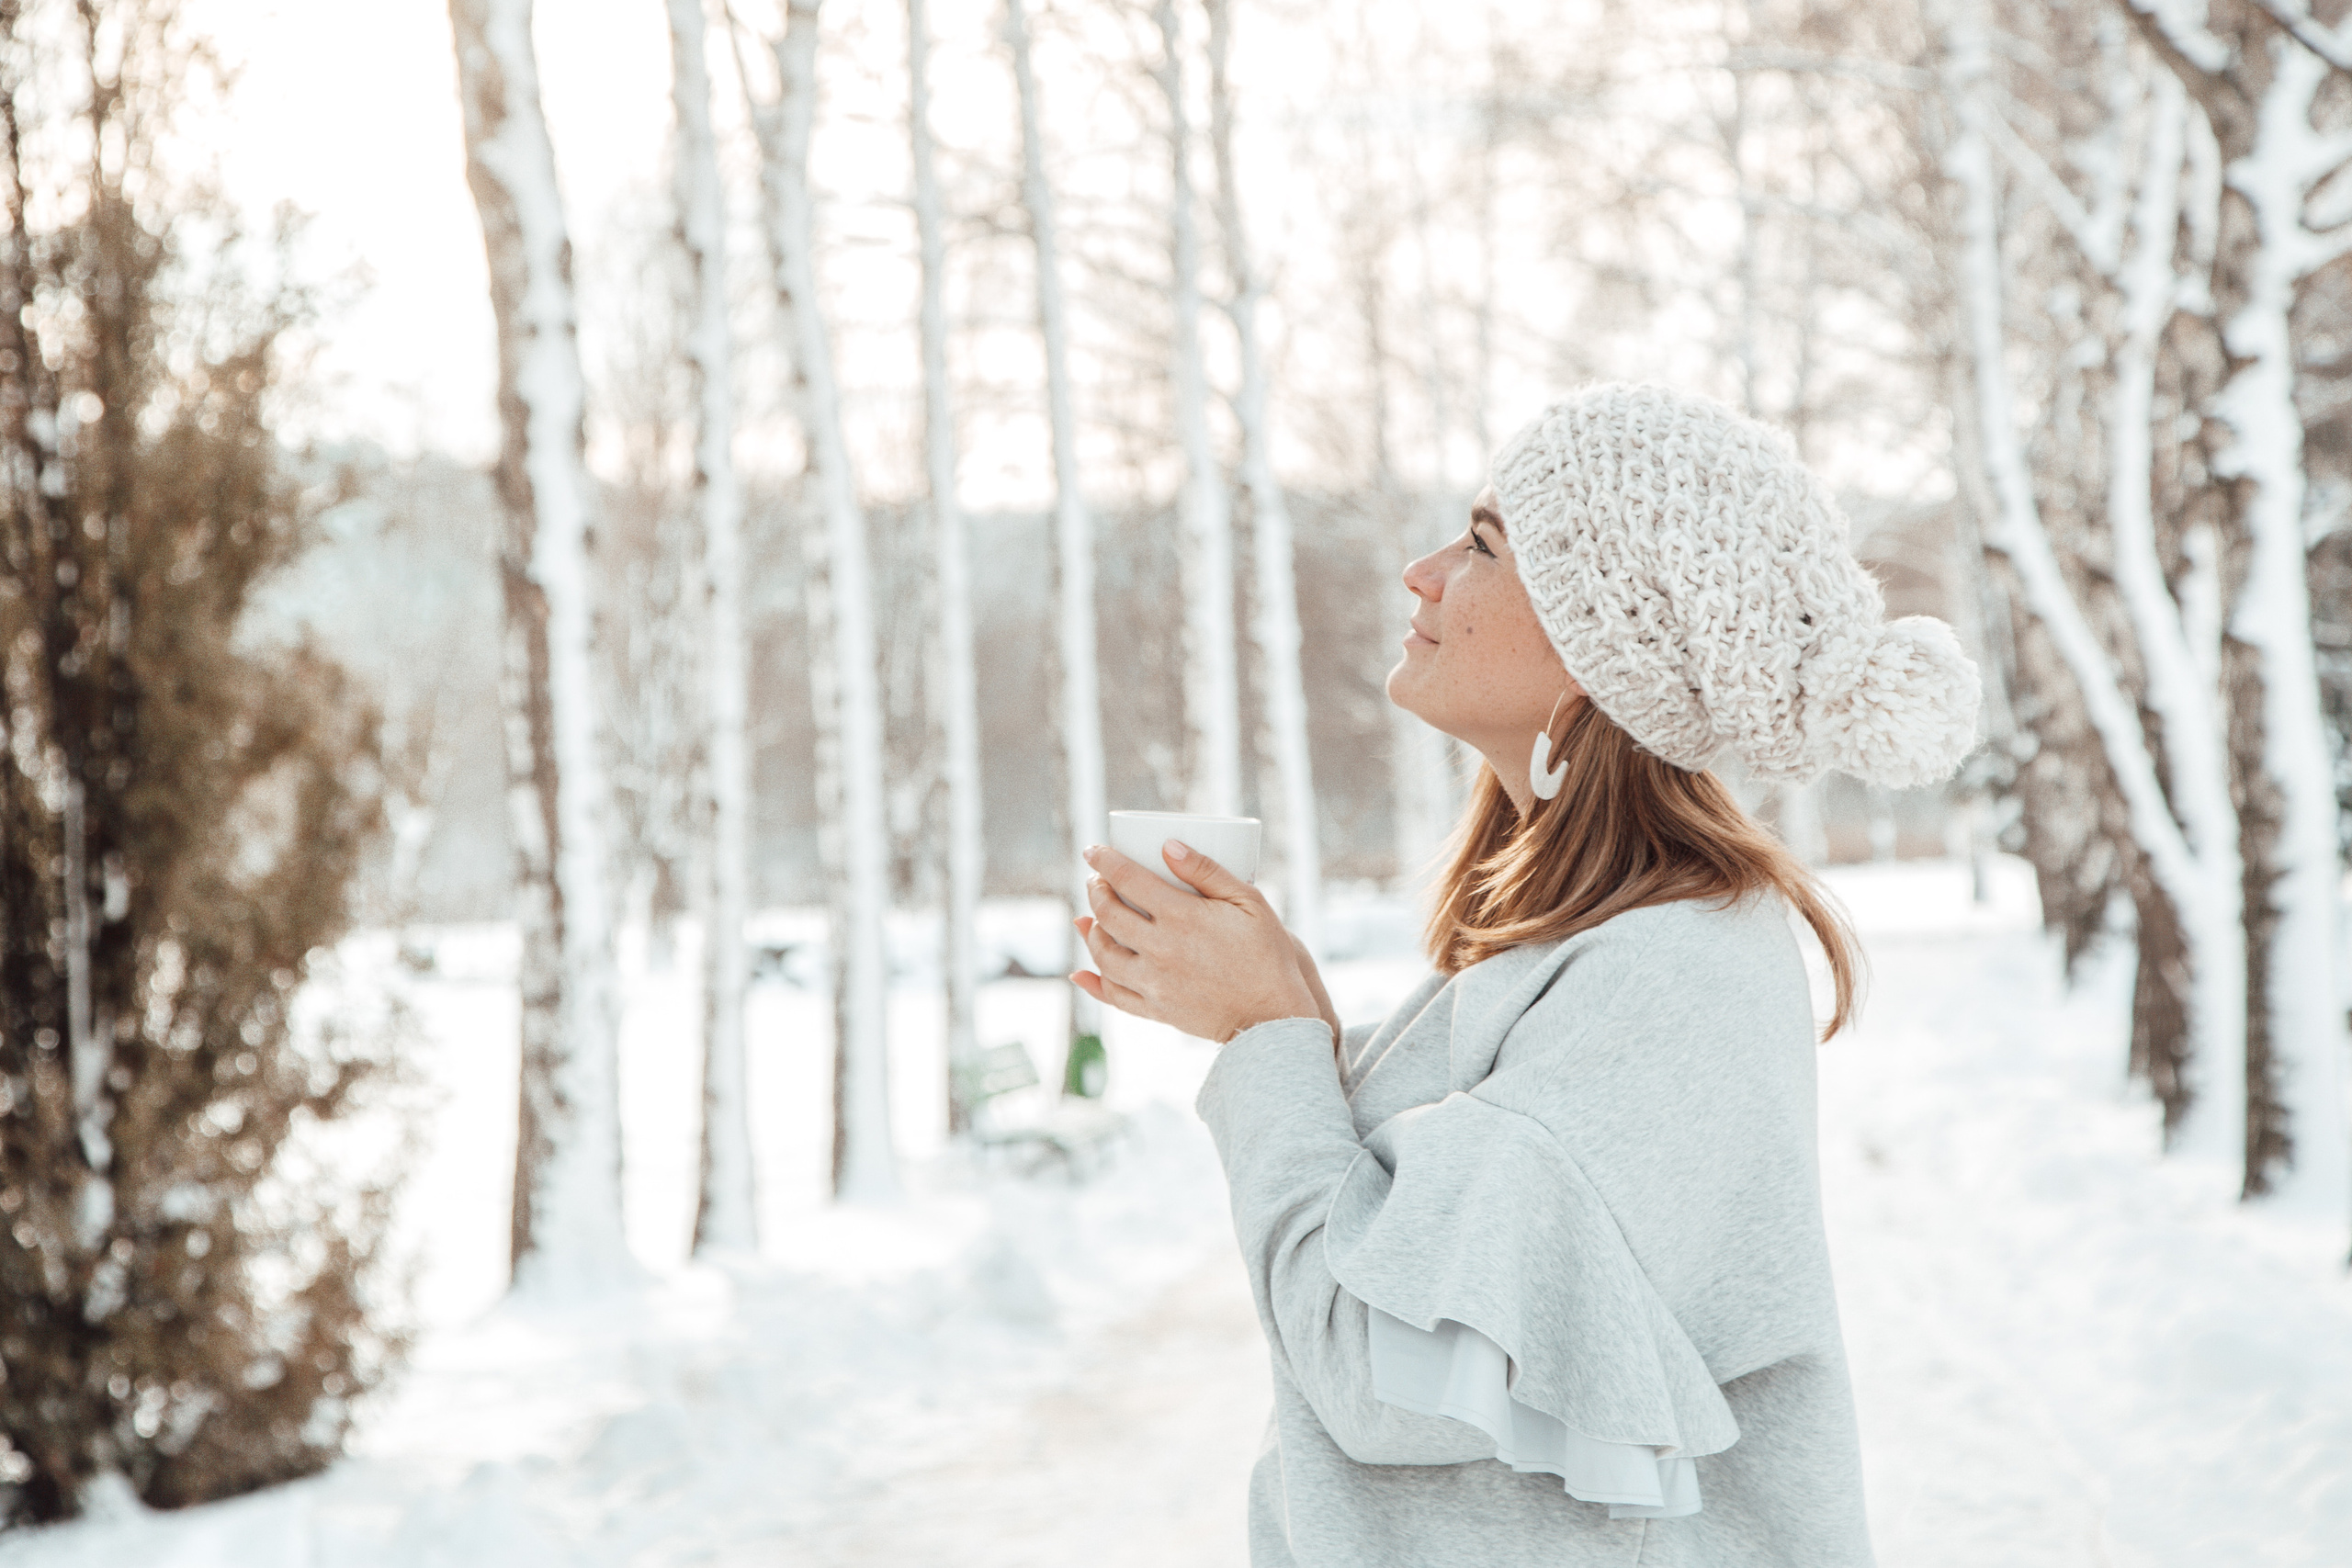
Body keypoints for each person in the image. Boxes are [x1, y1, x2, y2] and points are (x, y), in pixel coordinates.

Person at [1069, 383, 1979, 1566]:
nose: (1424, 573)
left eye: (1485, 545)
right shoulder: (1588, 950)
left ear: (1608, 644)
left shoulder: (1670, 978)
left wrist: (1269, 1041)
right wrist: (1290, 1015)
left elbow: (1391, 1374)